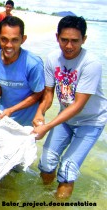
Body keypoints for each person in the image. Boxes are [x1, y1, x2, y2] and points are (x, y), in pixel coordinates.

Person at [31, 16, 107, 199]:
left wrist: (47, 127)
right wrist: (39, 112)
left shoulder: (91, 63)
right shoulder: (51, 59)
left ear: (84, 40)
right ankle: (44, 197)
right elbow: (49, 94)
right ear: (57, 37)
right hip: (65, 118)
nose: (69, 46)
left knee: (67, 169)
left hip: (91, 121)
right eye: (64, 40)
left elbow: (79, 105)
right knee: (46, 162)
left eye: (75, 41)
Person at [0, 16, 45, 126]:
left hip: (26, 123)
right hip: (2, 117)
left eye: (14, 40)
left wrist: (11, 110)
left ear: (23, 39)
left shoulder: (33, 64)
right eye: (4, 39)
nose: (9, 45)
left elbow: (38, 94)